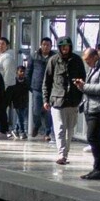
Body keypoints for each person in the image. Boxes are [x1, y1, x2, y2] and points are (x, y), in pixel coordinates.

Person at [43, 37, 86, 165]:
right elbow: (47, 82)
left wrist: (81, 97)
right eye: (62, 46)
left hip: (73, 101)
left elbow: (83, 79)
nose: (65, 49)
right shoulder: (53, 60)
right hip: (57, 100)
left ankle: (65, 153)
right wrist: (46, 99)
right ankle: (61, 154)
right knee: (59, 128)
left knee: (69, 130)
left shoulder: (77, 60)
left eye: (67, 46)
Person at [77, 45, 100, 180]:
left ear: (95, 57)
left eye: (88, 60)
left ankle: (99, 168)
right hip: (90, 106)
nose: (87, 63)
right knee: (93, 137)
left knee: (93, 136)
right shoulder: (94, 67)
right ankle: (97, 168)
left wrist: (84, 86)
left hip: (99, 108)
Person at [26, 37, 54, 140]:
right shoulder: (34, 56)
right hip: (36, 87)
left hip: (49, 87)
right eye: (44, 44)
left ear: (51, 46)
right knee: (36, 110)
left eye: (48, 45)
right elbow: (28, 71)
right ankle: (37, 125)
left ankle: (47, 132)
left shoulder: (54, 57)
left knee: (47, 111)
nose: (45, 47)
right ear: (41, 45)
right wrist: (29, 85)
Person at [0, 38, 17, 135]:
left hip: (6, 87)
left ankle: (3, 129)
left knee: (1, 108)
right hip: (0, 86)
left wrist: (3, 88)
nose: (0, 46)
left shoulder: (8, 57)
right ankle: (1, 128)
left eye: (3, 44)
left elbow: (8, 74)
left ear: (7, 46)